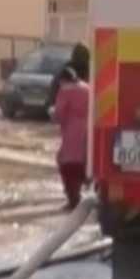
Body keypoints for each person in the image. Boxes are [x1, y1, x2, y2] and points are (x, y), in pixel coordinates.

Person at [52, 64, 91, 210]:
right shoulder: (87, 88)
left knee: (66, 163)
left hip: (72, 131)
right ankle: (84, 185)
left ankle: (73, 198)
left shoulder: (66, 90)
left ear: (63, 79)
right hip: (88, 130)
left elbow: (59, 114)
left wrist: (53, 115)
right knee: (83, 160)